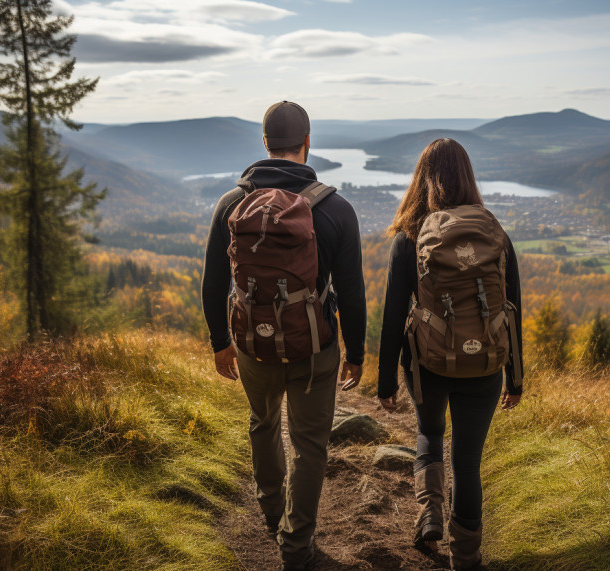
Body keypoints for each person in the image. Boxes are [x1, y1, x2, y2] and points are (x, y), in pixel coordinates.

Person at [201, 101, 367, 571]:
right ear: (308, 142)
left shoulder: (231, 205)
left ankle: (273, 517)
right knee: (310, 444)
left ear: (265, 144)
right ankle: (296, 546)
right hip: (315, 348)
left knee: (263, 423)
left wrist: (220, 342)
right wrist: (355, 352)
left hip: (253, 344)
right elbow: (352, 292)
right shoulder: (335, 209)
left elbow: (214, 282)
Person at [376, 138, 522, 570]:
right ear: (469, 177)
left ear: (422, 179)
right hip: (484, 367)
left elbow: (390, 318)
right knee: (468, 462)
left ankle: (429, 515)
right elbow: (512, 310)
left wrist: (385, 383)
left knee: (430, 433)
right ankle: (467, 558)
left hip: (427, 364)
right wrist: (515, 379)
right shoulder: (495, 234)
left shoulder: (409, 237)